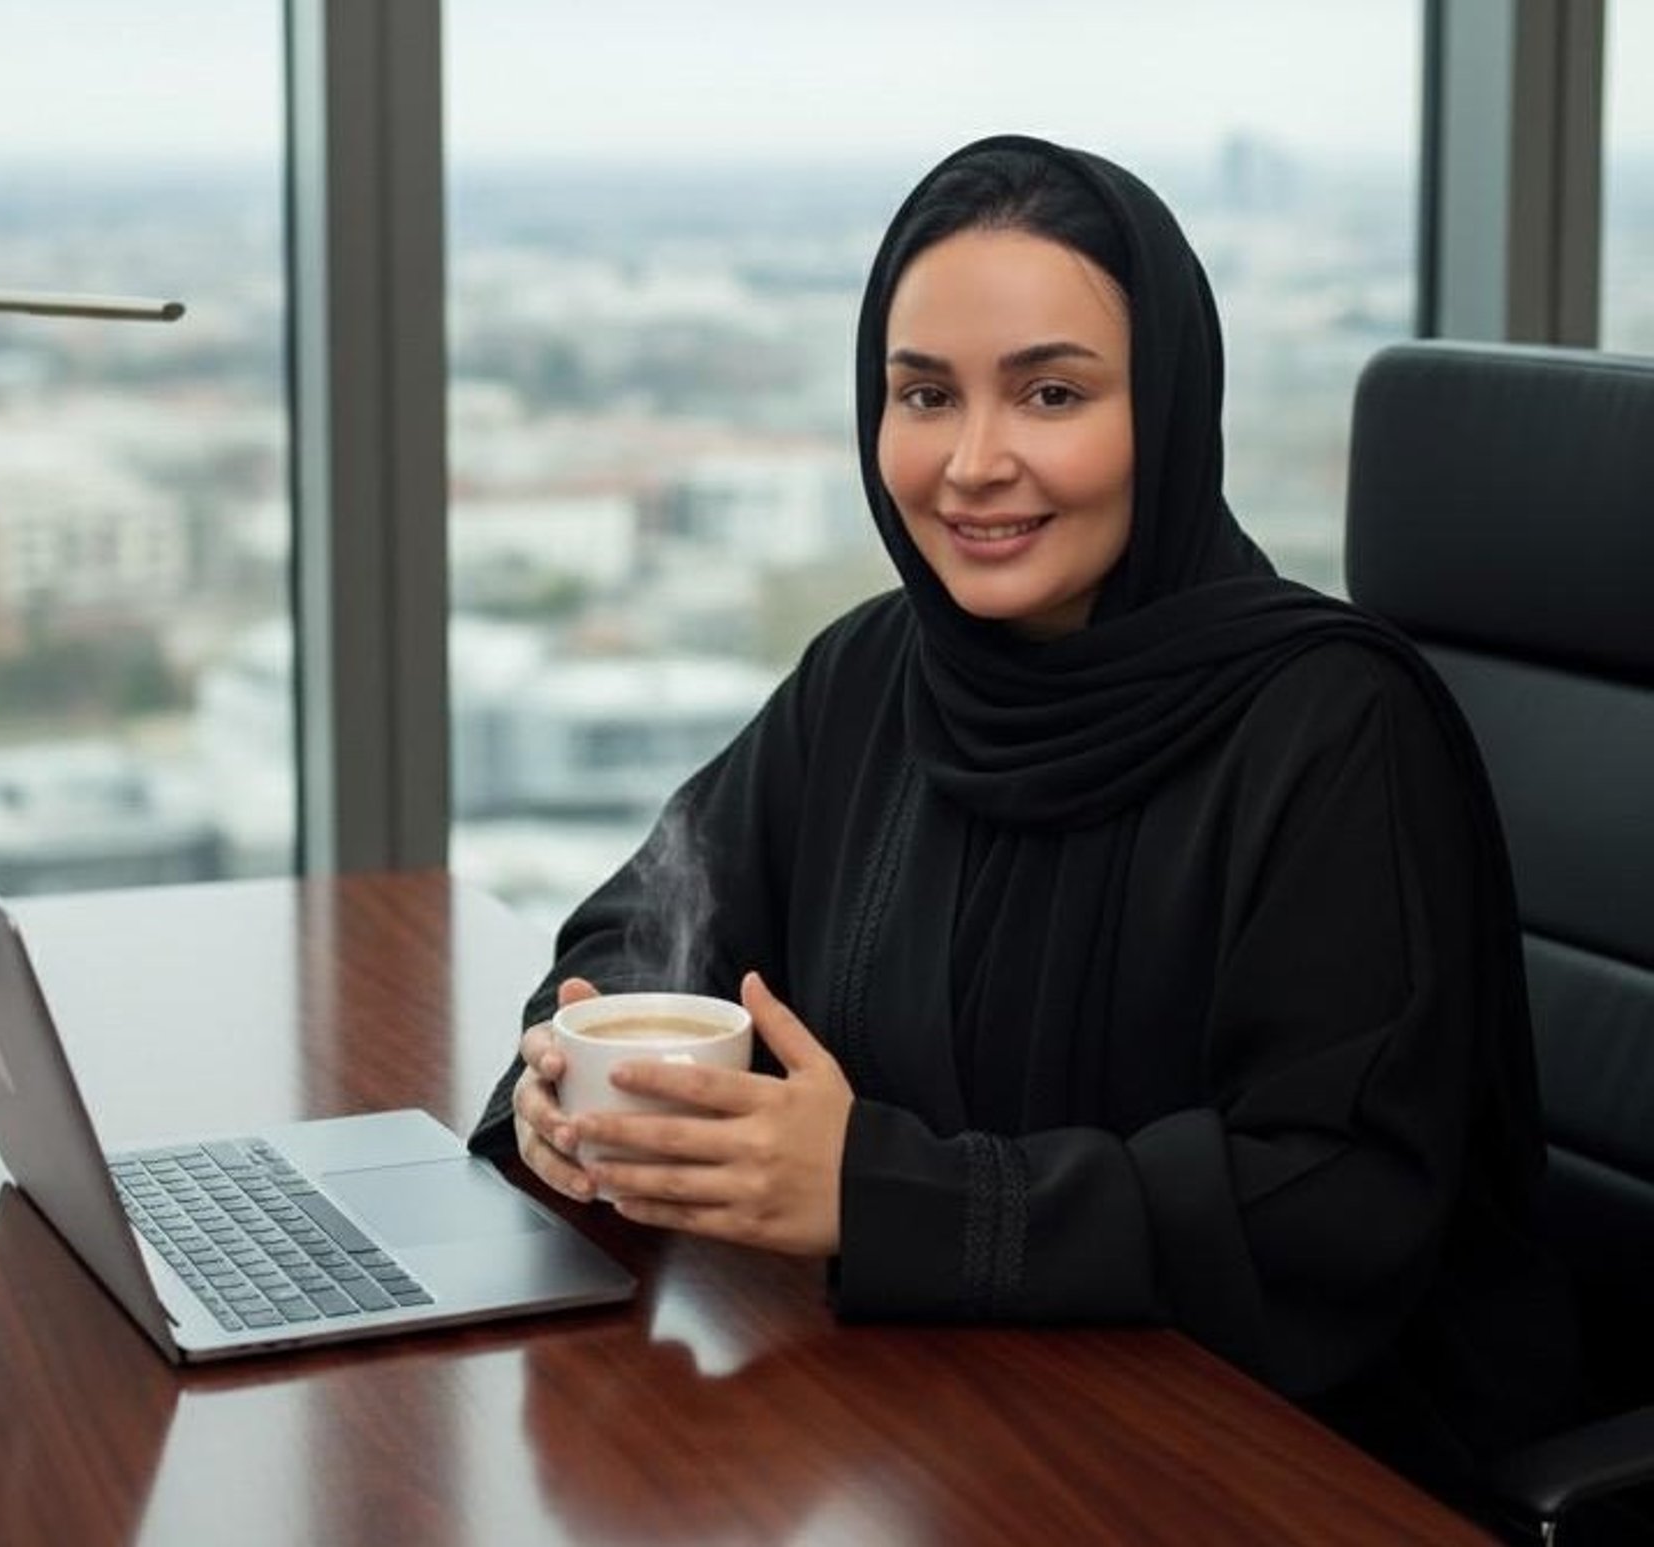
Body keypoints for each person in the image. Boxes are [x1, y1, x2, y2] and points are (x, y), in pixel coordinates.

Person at [467, 134, 1579, 1515]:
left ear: (1163, 411)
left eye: (1051, 393)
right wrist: (575, 1091)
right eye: (924, 394)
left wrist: (881, 1196)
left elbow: (1331, 1203)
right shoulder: (874, 675)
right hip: (923, 1437)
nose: (973, 463)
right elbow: (655, 919)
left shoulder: (1331, 727)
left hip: (1261, 1467)